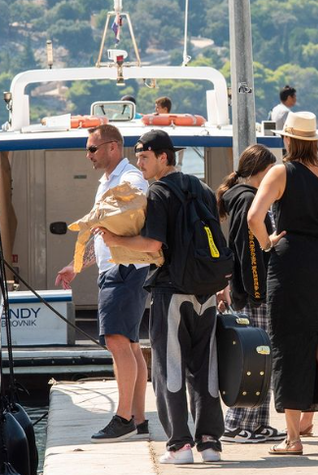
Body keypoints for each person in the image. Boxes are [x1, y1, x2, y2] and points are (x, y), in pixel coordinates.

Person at [96, 130, 224, 464]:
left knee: (170, 368)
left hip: (172, 291)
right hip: (206, 292)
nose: (139, 163)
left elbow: (152, 245)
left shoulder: (159, 193)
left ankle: (180, 445)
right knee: (205, 366)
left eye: (144, 157)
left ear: (163, 157)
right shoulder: (204, 189)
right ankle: (210, 442)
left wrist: (114, 239)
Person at [247, 111, 318, 456]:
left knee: (290, 348)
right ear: (317, 142)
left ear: (288, 141)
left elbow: (253, 217)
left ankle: (293, 439)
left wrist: (267, 242)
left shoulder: (280, 172)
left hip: (290, 267)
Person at [54, 124, 150, 443]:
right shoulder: (107, 182)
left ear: (112, 147)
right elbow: (100, 234)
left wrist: (118, 230)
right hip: (120, 269)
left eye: (92, 149)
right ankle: (137, 417)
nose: (88, 155)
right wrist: (76, 266)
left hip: (124, 270)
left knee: (116, 342)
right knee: (131, 344)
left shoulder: (128, 178)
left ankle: (123, 418)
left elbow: (138, 202)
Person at [215, 144, 286, 444]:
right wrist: (258, 290)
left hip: (247, 288)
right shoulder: (248, 200)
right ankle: (235, 423)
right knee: (257, 357)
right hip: (256, 291)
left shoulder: (239, 197)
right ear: (262, 169)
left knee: (261, 356)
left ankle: (257, 423)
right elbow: (250, 251)